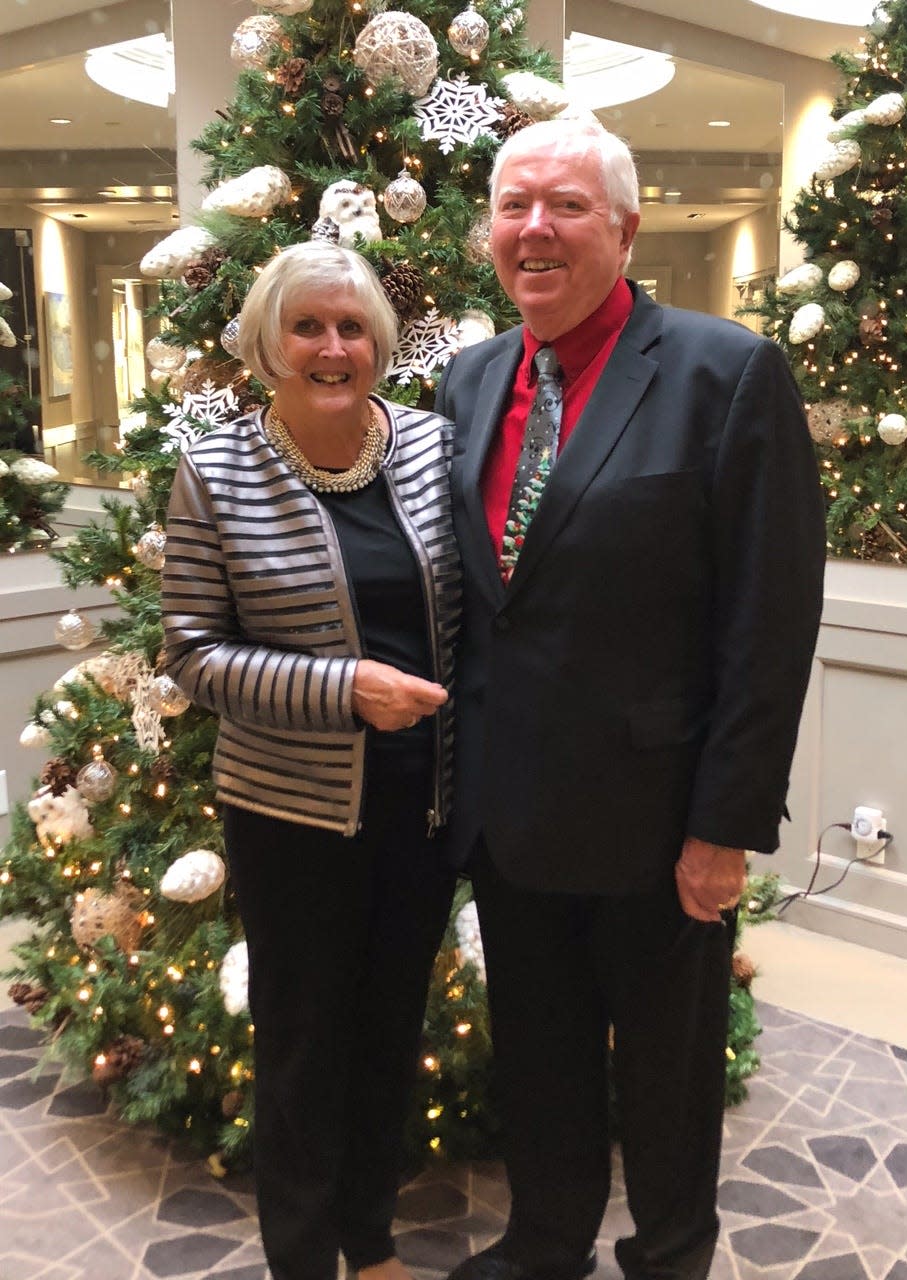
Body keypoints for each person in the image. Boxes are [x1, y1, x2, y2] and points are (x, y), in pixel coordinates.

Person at [435, 119, 825, 1280]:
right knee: (540, 1058)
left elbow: (769, 622)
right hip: (509, 816)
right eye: (513, 206)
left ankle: (670, 1254)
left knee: (667, 1073)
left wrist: (724, 826)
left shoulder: (725, 371)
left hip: (658, 826)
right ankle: (544, 1240)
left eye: (564, 205)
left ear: (625, 226)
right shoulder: (466, 377)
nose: (533, 230)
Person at [161, 242, 460, 1280]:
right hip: (289, 816)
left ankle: (370, 1242)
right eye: (308, 327)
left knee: (388, 1036)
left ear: (379, 341)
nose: (334, 348)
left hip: (421, 809)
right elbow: (192, 655)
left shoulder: (431, 446)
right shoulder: (216, 468)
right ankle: (300, 1255)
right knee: (301, 1044)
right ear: (266, 346)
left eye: (353, 327)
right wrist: (346, 690)